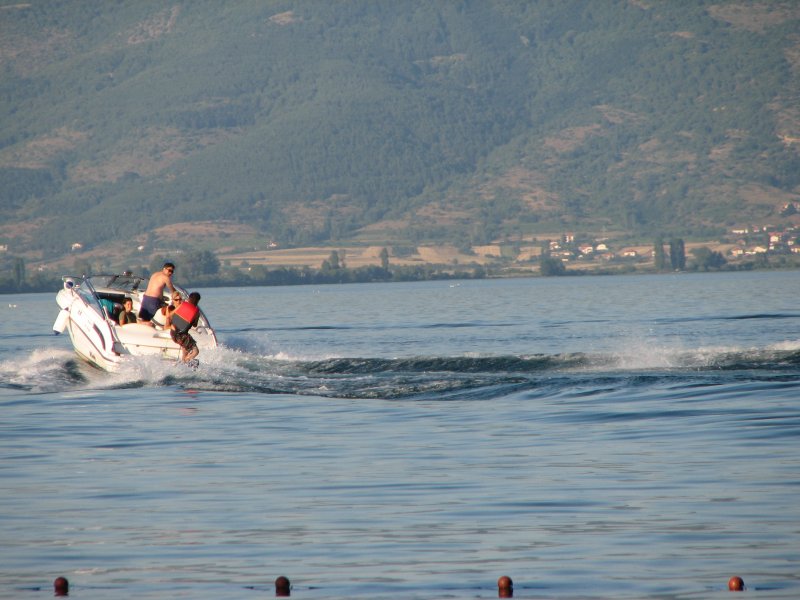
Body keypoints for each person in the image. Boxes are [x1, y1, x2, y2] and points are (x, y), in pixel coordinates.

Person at [170, 291, 201, 364]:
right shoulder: (197, 312)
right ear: (197, 301)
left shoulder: (182, 305)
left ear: (189, 299)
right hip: (182, 336)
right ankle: (183, 363)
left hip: (173, 332)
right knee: (195, 352)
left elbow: (171, 315)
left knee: (185, 351)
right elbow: (195, 325)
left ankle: (183, 364)